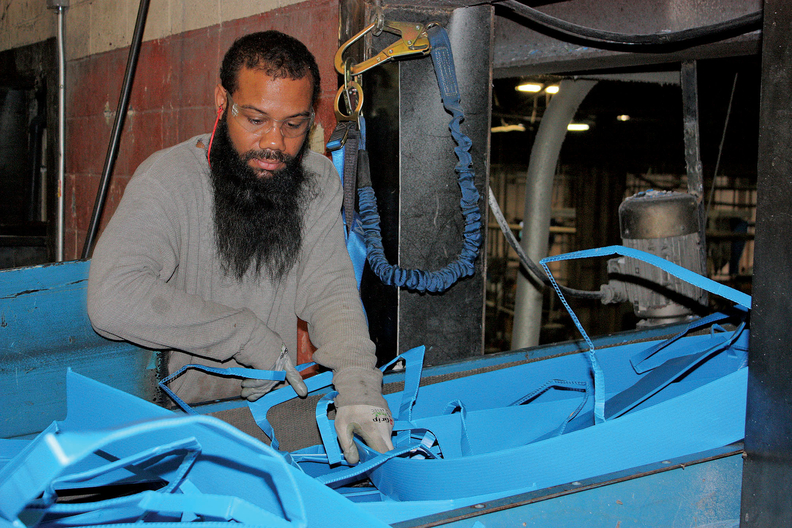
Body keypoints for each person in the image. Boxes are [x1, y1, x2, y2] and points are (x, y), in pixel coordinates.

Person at [87, 30, 393, 464]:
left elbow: (330, 291)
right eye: (255, 119)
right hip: (178, 421)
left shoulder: (318, 180)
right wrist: (246, 336)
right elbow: (112, 296)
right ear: (221, 103)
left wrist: (360, 385)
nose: (274, 143)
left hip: (267, 412)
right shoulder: (168, 181)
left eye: (294, 124)